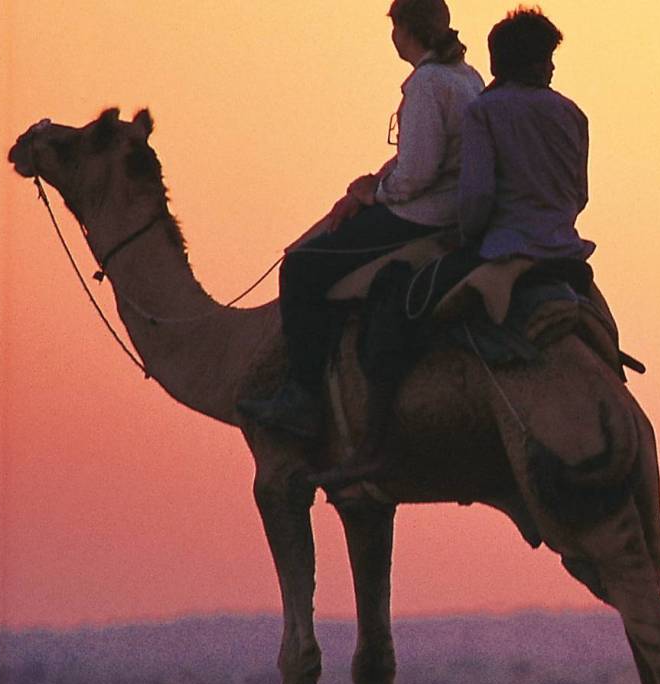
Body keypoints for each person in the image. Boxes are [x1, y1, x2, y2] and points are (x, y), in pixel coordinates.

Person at [311, 6, 594, 488]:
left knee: (397, 298)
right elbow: (580, 195)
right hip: (567, 253)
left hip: (502, 248)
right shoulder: (572, 114)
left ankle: (377, 446)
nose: (551, 67)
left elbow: (476, 199)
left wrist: (469, 234)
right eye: (547, 58)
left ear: (500, 61)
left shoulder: (485, 111)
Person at [240, 0, 483, 440]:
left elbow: (417, 174)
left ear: (404, 29)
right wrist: (371, 184)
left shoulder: (428, 84)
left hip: (423, 215)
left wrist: (375, 194)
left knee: (301, 267)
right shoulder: (465, 77)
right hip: (450, 208)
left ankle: (303, 397)